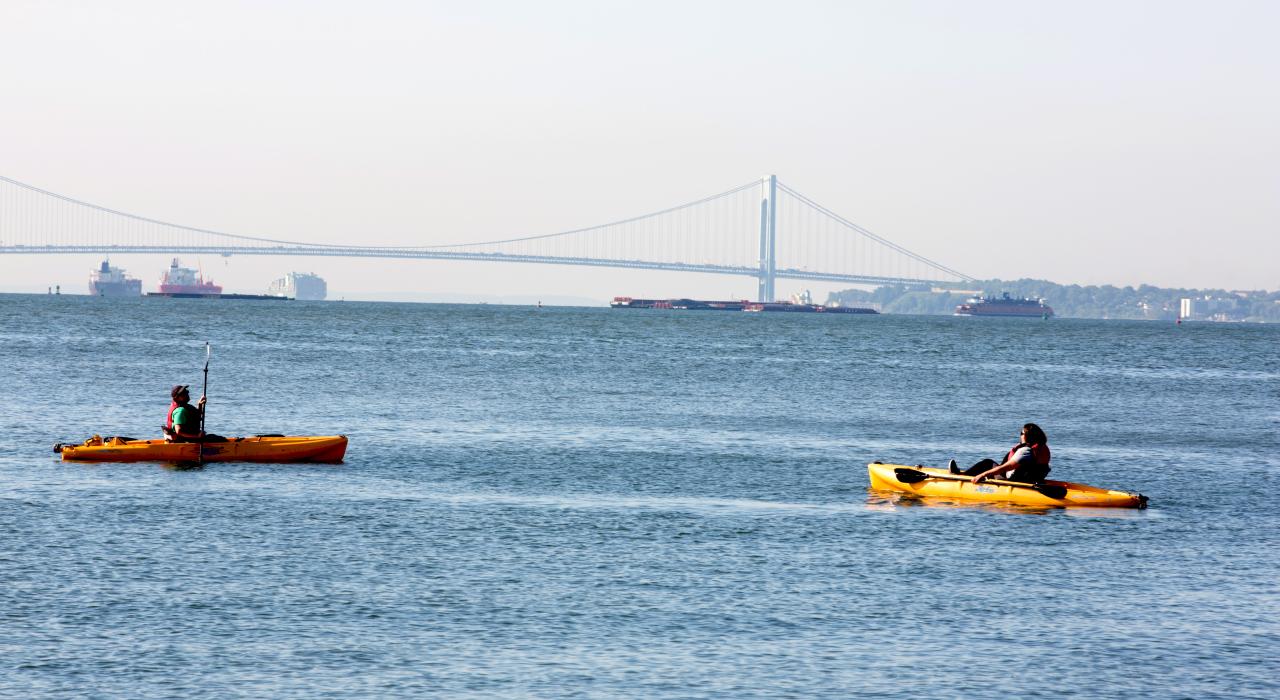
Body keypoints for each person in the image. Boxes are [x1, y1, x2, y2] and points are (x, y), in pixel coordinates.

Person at [949, 423, 1051, 484]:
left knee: (987, 463)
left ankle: (960, 476)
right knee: (992, 463)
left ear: (1027, 436)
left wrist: (982, 475)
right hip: (1030, 479)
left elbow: (1005, 468)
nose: (1020, 435)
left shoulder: (1025, 451)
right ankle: (963, 474)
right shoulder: (1042, 448)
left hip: (1012, 479)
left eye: (1022, 433)